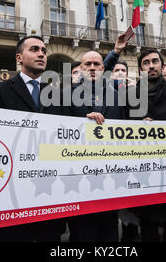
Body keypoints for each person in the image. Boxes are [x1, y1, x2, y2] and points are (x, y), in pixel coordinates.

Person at [0, 35, 66, 241]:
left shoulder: (58, 95)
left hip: (48, 193)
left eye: (44, 51)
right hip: (11, 195)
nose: (41, 54)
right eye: (34, 49)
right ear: (19, 57)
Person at [63, 50, 127, 242]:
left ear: (103, 69)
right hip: (78, 179)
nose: (92, 68)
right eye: (87, 64)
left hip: (110, 178)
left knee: (110, 232)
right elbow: (57, 130)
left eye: (97, 64)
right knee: (83, 233)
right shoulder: (65, 95)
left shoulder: (117, 95)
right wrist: (83, 123)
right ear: (81, 69)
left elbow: (125, 129)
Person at [128, 49, 166, 242]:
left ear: (161, 66)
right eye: (146, 62)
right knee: (147, 227)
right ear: (140, 68)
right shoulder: (129, 97)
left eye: (155, 61)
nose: (151, 65)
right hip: (142, 173)